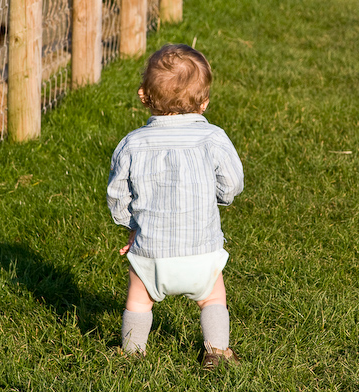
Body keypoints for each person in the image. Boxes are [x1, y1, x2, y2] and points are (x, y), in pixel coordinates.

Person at [106, 44, 244, 369]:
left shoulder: (131, 144)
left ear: (143, 96)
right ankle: (217, 351)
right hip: (203, 251)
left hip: (151, 254)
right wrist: (218, 198)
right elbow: (233, 183)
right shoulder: (213, 138)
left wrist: (131, 225)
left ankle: (131, 353)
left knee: (139, 301)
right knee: (213, 297)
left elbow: (117, 195)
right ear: (205, 102)